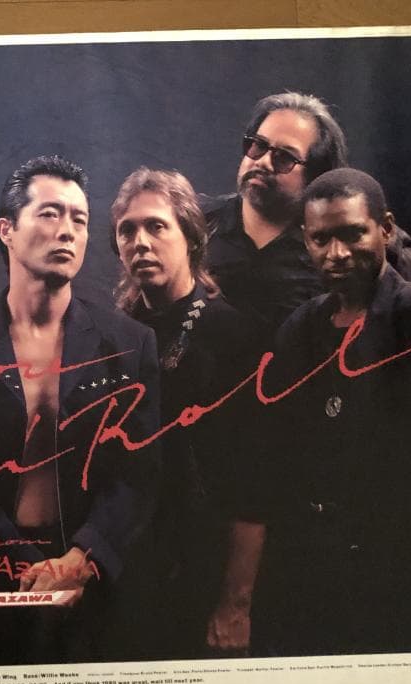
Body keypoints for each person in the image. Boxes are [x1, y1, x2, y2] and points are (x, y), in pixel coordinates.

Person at [0, 155, 160, 666]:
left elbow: (139, 471)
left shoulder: (129, 343)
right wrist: (22, 563)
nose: (67, 230)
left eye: (79, 219)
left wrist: (82, 558)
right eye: (50, 213)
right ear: (7, 229)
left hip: (87, 586)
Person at [251, 168, 411, 655]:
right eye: (320, 239)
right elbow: (282, 444)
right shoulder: (299, 328)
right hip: (321, 568)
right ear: (306, 241)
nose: (336, 253)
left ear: (385, 229)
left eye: (352, 234)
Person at [110, 167, 263, 658]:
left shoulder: (234, 335)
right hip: (128, 567)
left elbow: (255, 483)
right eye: (127, 230)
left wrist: (236, 601)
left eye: (156, 226)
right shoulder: (113, 336)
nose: (140, 242)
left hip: (205, 565)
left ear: (191, 237)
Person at [203, 91, 411, 335]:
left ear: (316, 174)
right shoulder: (197, 223)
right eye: (258, 145)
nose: (263, 162)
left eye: (284, 157)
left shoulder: (361, 237)